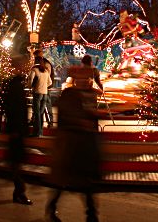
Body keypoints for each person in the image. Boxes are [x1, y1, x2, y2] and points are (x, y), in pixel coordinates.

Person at [46, 86, 102, 222]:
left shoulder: (67, 107)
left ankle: (90, 213)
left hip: (72, 151)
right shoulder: (72, 108)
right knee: (83, 184)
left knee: (72, 184)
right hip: (73, 151)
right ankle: (91, 214)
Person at [4, 56, 32, 205]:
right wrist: (16, 128)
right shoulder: (15, 85)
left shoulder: (16, 84)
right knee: (16, 163)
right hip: (16, 129)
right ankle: (20, 192)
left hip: (17, 129)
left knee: (16, 163)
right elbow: (14, 108)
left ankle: (18, 192)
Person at [27, 56, 52, 137]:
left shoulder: (34, 69)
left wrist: (31, 86)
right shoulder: (46, 71)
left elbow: (30, 79)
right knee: (40, 113)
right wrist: (44, 86)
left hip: (37, 93)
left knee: (37, 113)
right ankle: (40, 132)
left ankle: (37, 133)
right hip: (45, 93)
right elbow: (50, 82)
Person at [34, 49, 54, 127]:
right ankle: (39, 121)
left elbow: (47, 77)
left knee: (46, 105)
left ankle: (50, 122)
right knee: (42, 106)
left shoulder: (45, 64)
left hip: (45, 88)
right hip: (44, 87)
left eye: (35, 56)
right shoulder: (44, 64)